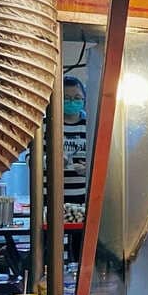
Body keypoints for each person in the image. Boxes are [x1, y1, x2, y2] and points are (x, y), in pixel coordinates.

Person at [60, 75, 88, 205]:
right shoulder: (45, 125)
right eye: (66, 98)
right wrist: (51, 163)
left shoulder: (91, 125)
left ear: (84, 99)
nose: (72, 102)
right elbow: (30, 158)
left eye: (77, 98)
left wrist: (89, 169)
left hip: (84, 201)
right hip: (51, 201)